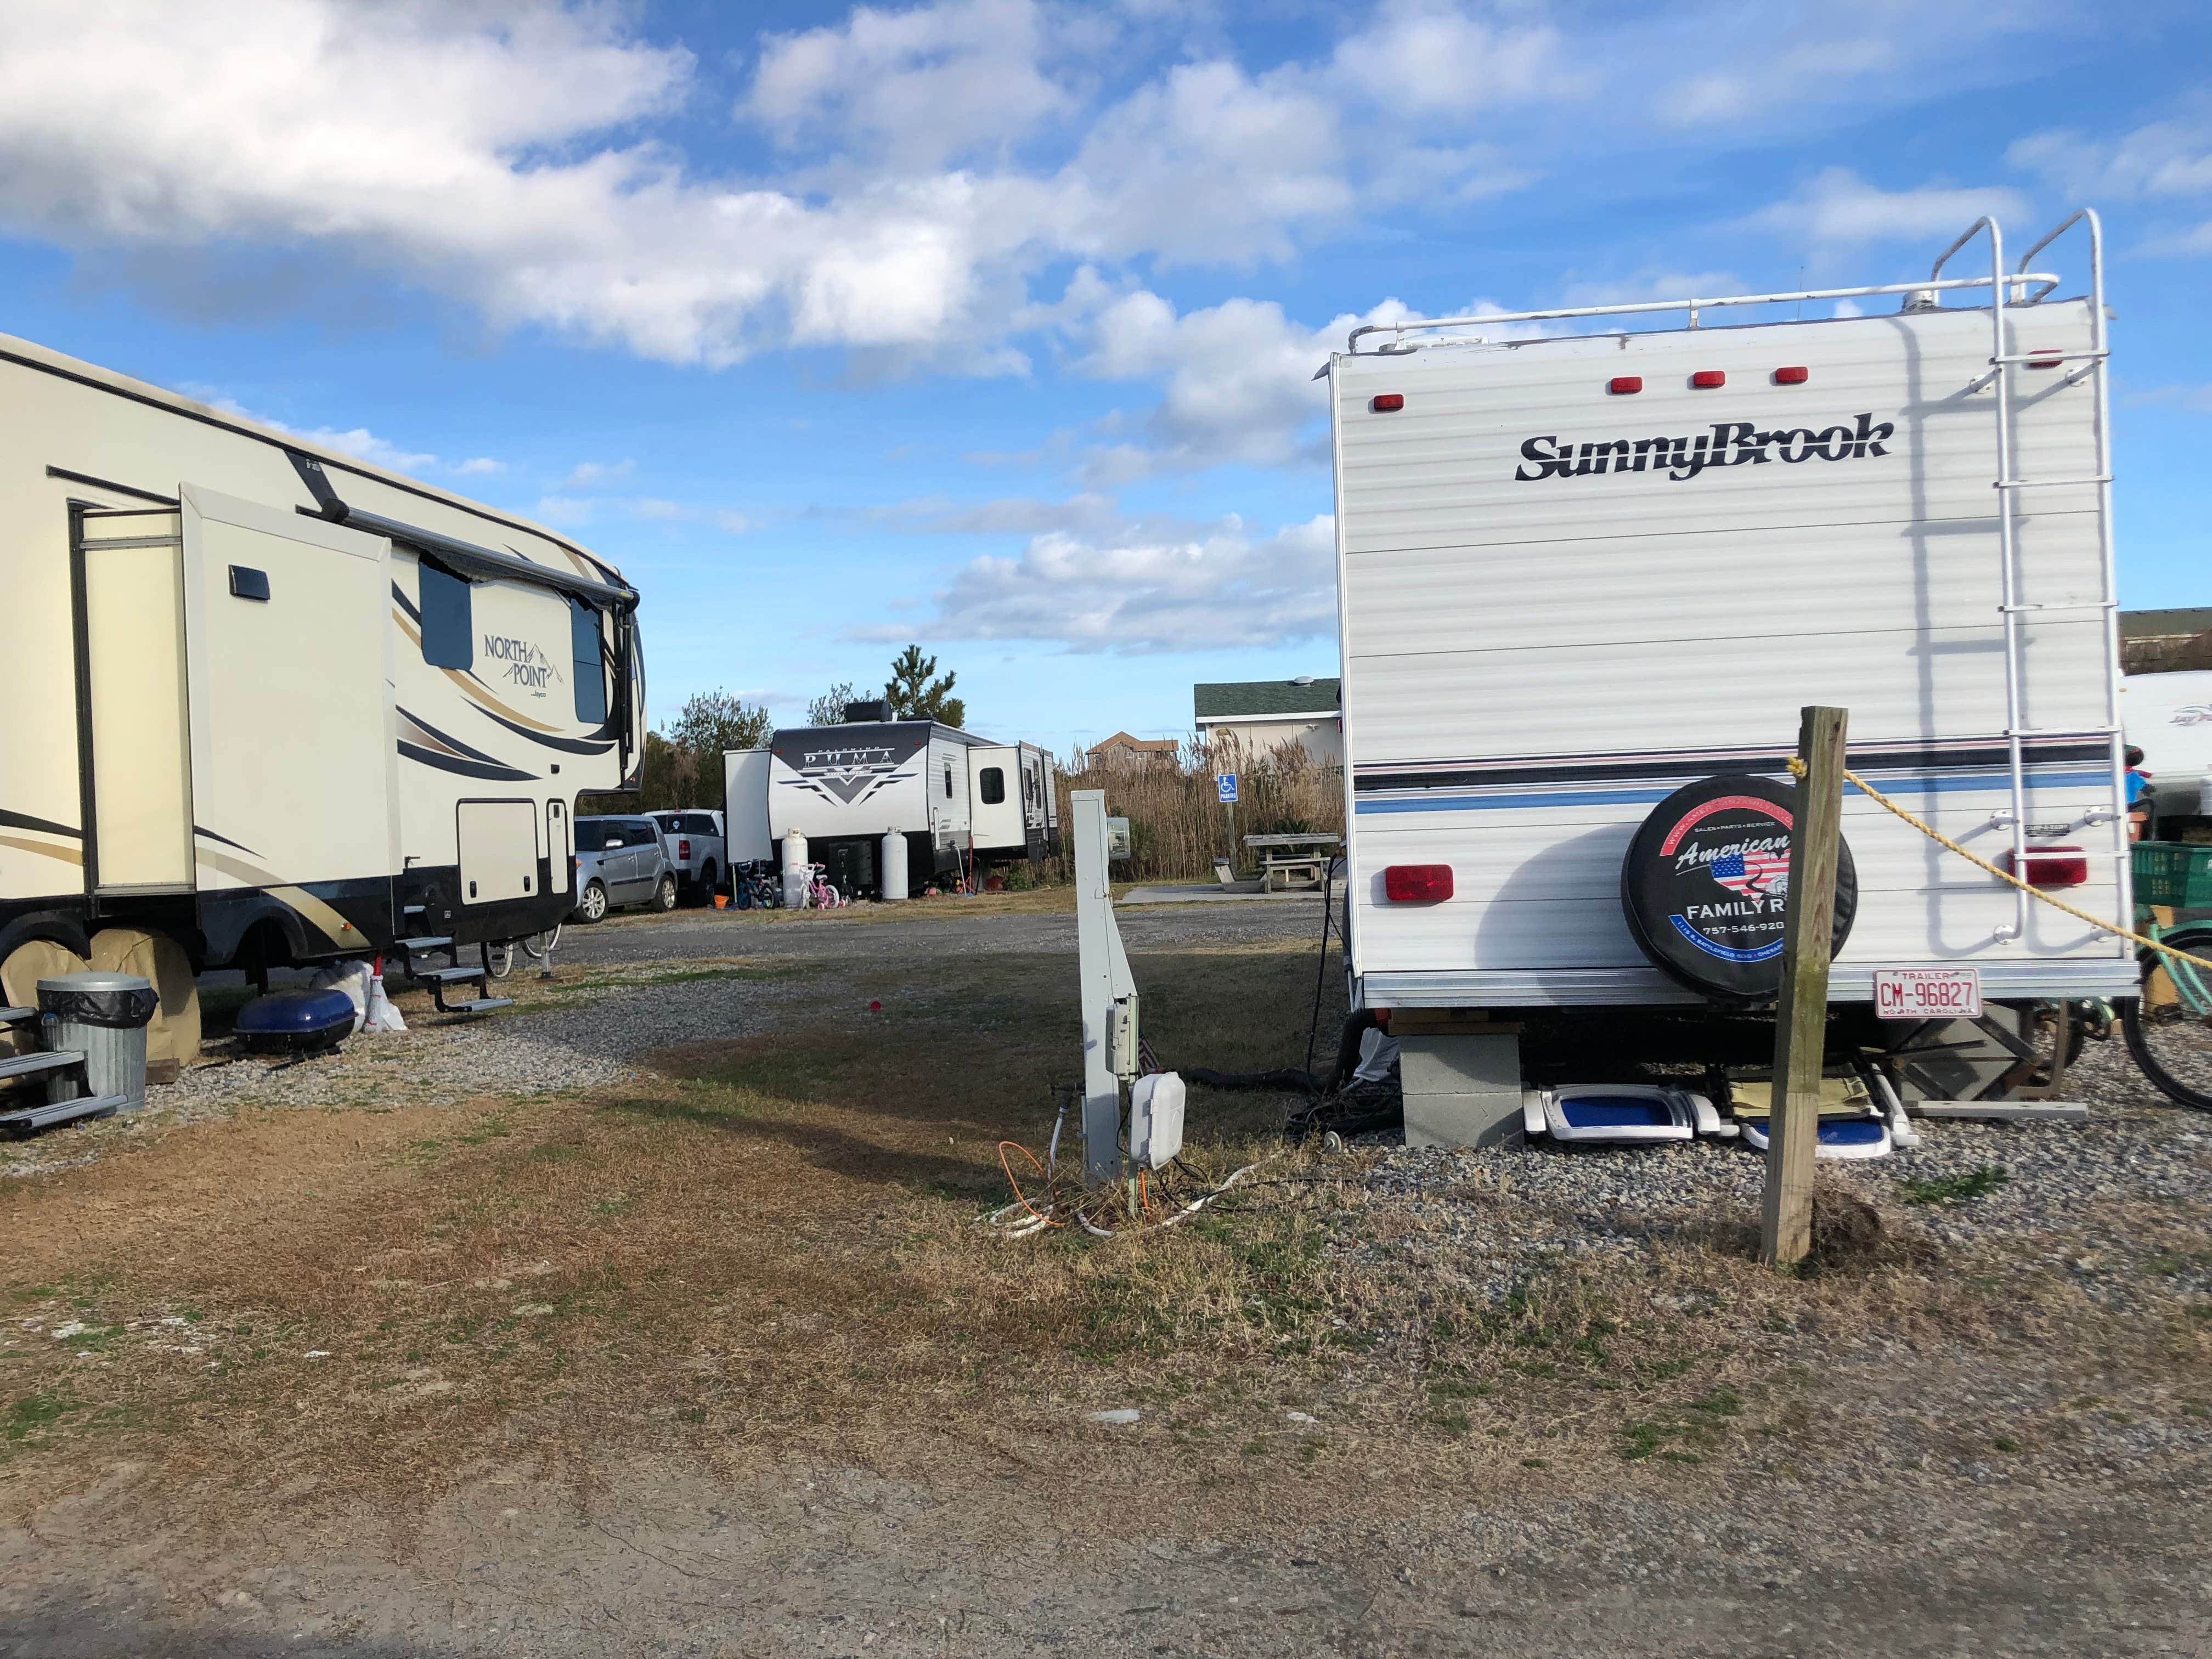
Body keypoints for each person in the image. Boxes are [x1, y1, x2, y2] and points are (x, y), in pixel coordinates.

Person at [2125, 744, 2154, 842]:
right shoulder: (2132, 774)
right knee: (2131, 822)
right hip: (2129, 803)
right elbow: (2137, 783)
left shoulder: (2128, 773)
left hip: (2126, 803)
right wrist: (2145, 787)